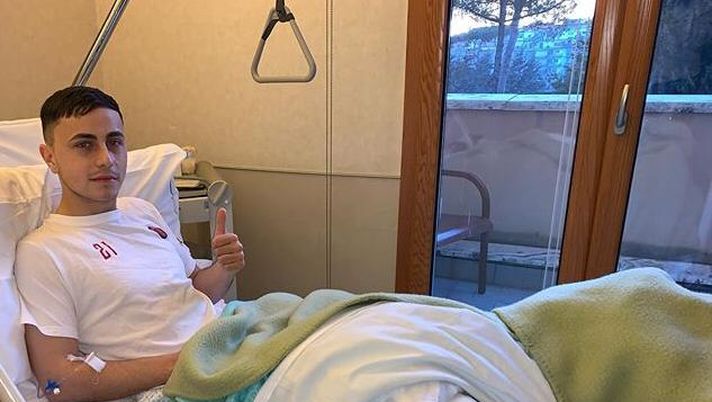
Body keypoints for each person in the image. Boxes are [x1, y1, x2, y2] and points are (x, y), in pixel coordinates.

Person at [14, 86, 246, 402]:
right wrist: (186, 362)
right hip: (192, 379)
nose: (106, 159)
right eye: (84, 145)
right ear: (50, 157)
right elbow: (59, 383)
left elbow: (195, 290)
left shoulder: (142, 210)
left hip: (234, 336)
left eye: (114, 142)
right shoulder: (43, 252)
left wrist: (223, 268)